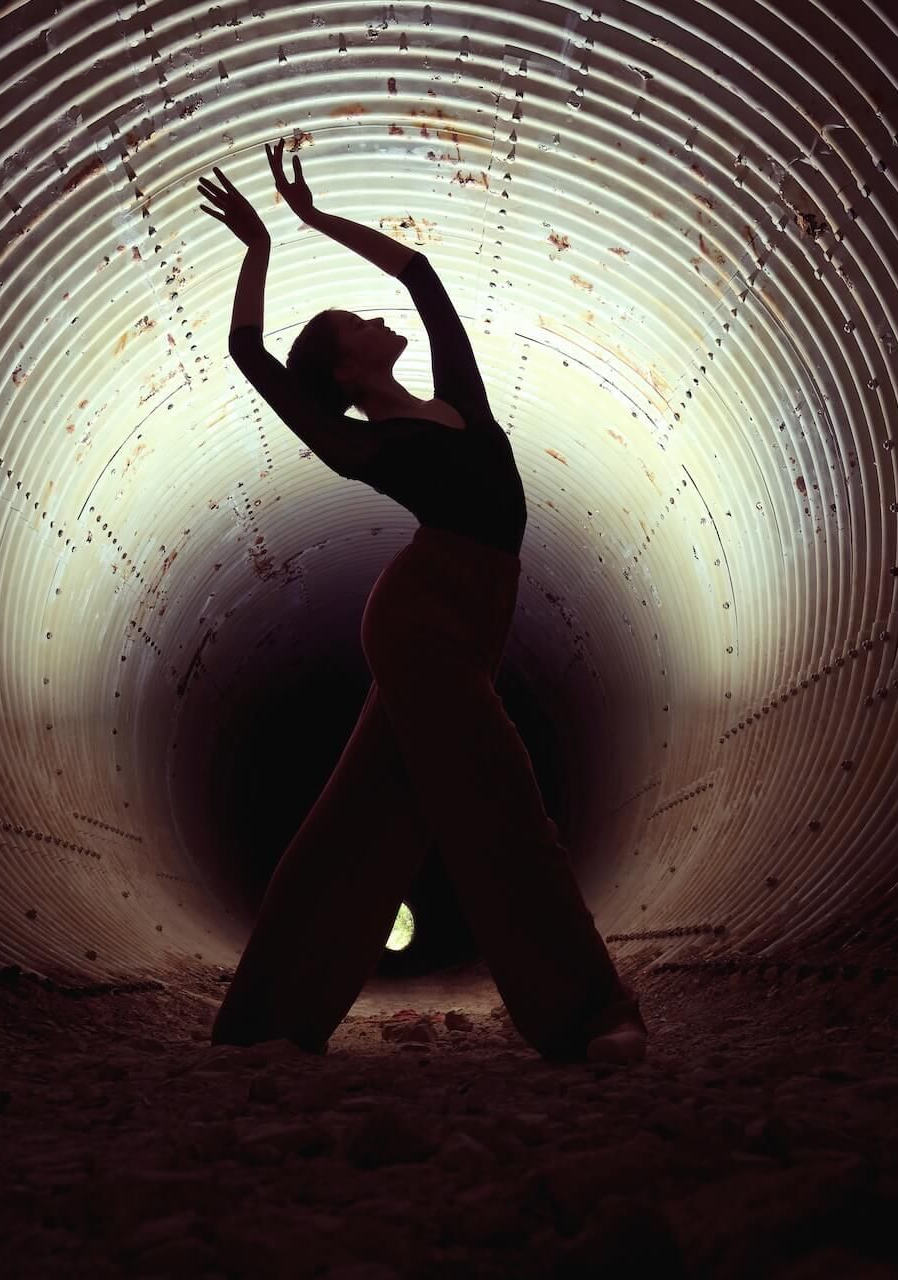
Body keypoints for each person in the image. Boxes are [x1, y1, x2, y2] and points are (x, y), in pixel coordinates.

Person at [194, 142, 647, 1066]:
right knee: (501, 796)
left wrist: (315, 219)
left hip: (475, 618)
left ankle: (266, 1021)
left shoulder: (460, 402)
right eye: (356, 322)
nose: (375, 315)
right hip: (424, 619)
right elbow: (249, 351)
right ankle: (589, 1014)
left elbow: (422, 276)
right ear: (347, 375)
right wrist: (257, 250)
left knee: (359, 820)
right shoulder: (359, 445)